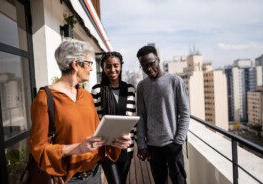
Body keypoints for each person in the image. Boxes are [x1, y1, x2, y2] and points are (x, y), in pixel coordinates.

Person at [29, 40, 132, 183]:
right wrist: (76, 148)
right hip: (69, 179)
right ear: (76, 64)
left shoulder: (86, 96)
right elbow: (38, 148)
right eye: (89, 63)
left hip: (95, 173)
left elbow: (97, 137)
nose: (91, 68)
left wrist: (114, 142)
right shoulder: (45, 99)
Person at [136, 46, 190, 184]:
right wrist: (142, 144)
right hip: (152, 146)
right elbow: (141, 116)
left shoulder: (175, 81)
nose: (148, 68)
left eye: (151, 63)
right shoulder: (141, 86)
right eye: (144, 66)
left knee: (179, 181)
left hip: (173, 143)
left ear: (158, 60)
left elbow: (185, 112)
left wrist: (179, 140)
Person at [91, 52, 136, 184]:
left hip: (126, 146)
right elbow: (94, 119)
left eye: (116, 65)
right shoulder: (97, 90)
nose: (112, 70)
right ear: (103, 68)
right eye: (108, 66)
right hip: (106, 146)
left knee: (121, 180)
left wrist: (141, 144)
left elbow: (133, 118)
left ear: (121, 66)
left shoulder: (130, 89)